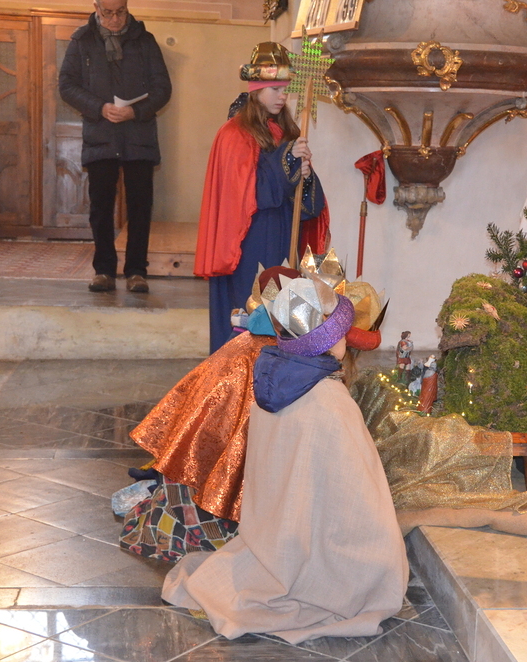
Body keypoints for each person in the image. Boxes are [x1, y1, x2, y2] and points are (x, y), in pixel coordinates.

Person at [161, 270, 408, 643]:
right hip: (318, 542)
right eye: (342, 332)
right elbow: (358, 490)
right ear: (330, 341)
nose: (346, 338)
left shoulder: (271, 381)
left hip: (272, 534)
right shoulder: (331, 400)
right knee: (379, 564)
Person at [194, 42, 329, 353]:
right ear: (256, 90)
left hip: (282, 237)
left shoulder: (285, 131)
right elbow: (250, 193)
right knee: (250, 312)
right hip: (248, 242)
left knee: (280, 314)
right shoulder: (235, 134)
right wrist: (288, 160)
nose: (282, 96)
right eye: (275, 89)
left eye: (285, 89)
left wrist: (305, 175)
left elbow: (306, 204)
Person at [58, 0, 172, 293]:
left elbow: (162, 88)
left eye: (120, 11)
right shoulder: (81, 40)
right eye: (108, 13)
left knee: (140, 207)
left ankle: (136, 272)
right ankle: (104, 271)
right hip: (101, 135)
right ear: (96, 8)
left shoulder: (145, 41)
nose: (115, 18)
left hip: (138, 136)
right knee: (101, 207)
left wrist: (136, 111)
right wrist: (99, 107)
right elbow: (67, 85)